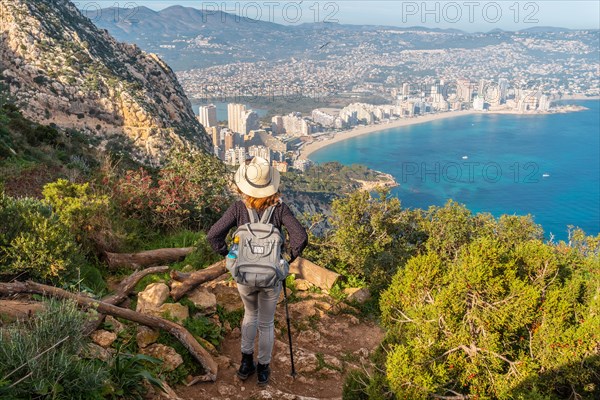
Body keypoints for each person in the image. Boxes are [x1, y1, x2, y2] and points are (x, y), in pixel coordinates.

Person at [207, 156, 308, 386]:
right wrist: (285, 260)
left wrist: (230, 256)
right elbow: (300, 237)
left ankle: (245, 364)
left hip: (244, 275)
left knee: (249, 315)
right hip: (272, 277)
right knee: (266, 323)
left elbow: (213, 235)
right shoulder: (280, 209)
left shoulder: (238, 207)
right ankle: (263, 369)